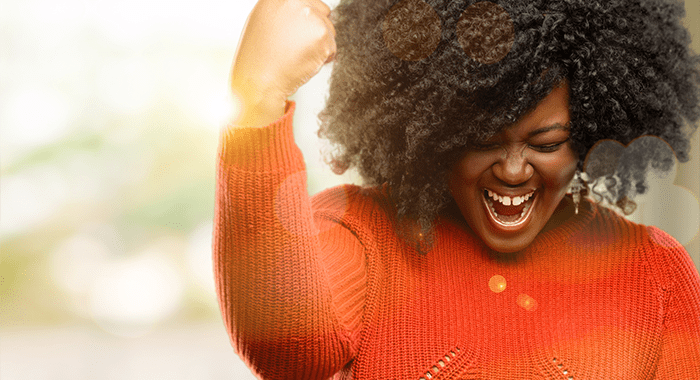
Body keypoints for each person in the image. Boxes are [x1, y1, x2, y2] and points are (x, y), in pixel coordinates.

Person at [214, 0, 700, 378]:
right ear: (429, 129)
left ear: (595, 128)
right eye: (481, 141)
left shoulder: (654, 276)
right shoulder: (361, 236)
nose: (513, 170)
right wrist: (258, 97)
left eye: (547, 143)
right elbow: (286, 349)